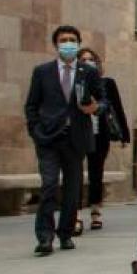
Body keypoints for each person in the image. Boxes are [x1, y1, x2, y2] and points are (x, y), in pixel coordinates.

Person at [23, 25, 103, 255]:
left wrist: (95, 108)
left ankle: (66, 233)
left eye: (72, 40)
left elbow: (103, 100)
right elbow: (31, 105)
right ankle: (44, 237)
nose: (68, 43)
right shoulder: (42, 72)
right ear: (56, 45)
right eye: (63, 40)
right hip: (48, 138)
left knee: (72, 189)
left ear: (77, 44)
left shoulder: (87, 72)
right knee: (49, 185)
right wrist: (35, 131)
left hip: (75, 138)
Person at [76, 47, 130, 230]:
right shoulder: (73, 83)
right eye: (83, 60)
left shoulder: (106, 83)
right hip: (78, 134)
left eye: (91, 59)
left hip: (100, 135)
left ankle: (95, 211)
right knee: (75, 173)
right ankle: (74, 214)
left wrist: (125, 134)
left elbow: (117, 107)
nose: (87, 62)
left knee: (96, 173)